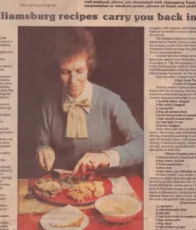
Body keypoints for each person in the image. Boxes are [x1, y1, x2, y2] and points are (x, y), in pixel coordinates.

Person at [36, 27, 143, 175]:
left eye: (79, 71)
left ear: (89, 66)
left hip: (103, 185)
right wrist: (43, 151)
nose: (73, 81)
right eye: (65, 72)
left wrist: (105, 157)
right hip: (63, 184)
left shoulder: (110, 101)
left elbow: (142, 144)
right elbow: (43, 143)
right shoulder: (49, 104)